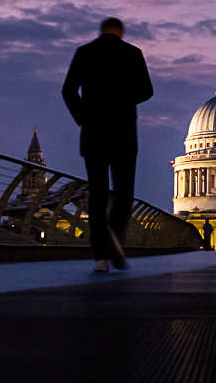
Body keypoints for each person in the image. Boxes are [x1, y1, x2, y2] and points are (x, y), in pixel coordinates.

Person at [61, 17, 153, 272]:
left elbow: (68, 91)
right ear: (121, 33)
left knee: (97, 195)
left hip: (93, 133)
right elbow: (147, 91)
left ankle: (100, 257)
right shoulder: (132, 53)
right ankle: (114, 234)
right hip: (124, 133)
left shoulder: (85, 52)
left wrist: (84, 118)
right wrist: (124, 99)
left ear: (101, 31)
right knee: (123, 194)